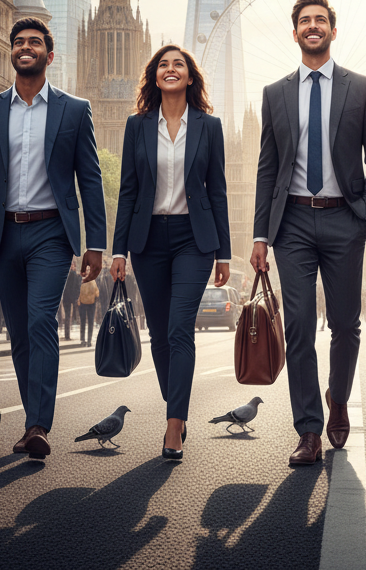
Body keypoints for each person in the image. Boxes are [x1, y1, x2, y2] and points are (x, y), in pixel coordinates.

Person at [0, 17, 107, 460]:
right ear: (12, 53)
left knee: (40, 320)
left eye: (34, 42)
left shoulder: (74, 109)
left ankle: (37, 425)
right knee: (19, 334)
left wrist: (95, 243)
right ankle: (34, 421)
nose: (25, 47)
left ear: (50, 55)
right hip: (4, 233)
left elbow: (90, 179)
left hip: (52, 233)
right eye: (18, 42)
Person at [252, 0, 366, 467]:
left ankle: (338, 398)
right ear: (295, 33)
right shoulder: (274, 93)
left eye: (320, 20)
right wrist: (260, 235)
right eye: (305, 21)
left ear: (333, 30)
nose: (313, 26)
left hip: (343, 218)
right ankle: (308, 429)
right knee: (297, 325)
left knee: (346, 325)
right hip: (291, 221)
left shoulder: (362, 88)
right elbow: (267, 168)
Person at [111, 44, 231, 461]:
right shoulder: (137, 125)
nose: (170, 68)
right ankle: (175, 403)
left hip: (192, 240)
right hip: (147, 241)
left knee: (180, 328)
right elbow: (128, 191)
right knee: (159, 334)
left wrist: (224, 253)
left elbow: (218, 191)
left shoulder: (209, 126)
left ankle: (174, 424)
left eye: (178, 64)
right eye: (163, 64)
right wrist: (118, 250)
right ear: (155, 76)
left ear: (190, 76)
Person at [60, 258, 81, 341]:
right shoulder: (74, 275)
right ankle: (67, 335)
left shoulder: (64, 275)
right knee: (70, 316)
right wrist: (76, 297)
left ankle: (67, 334)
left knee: (67, 317)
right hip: (71, 299)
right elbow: (77, 287)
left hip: (66, 299)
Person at [78, 273, 98, 346]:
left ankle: (83, 340)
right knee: (90, 322)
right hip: (91, 304)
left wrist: (78, 300)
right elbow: (97, 293)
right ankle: (89, 341)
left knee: (83, 322)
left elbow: (77, 291)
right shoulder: (93, 281)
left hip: (82, 303)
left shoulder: (80, 280)